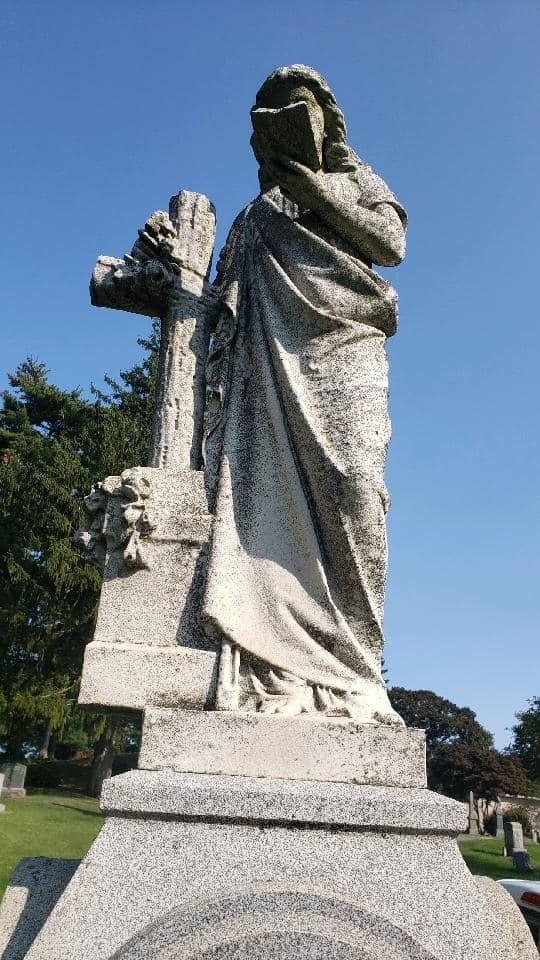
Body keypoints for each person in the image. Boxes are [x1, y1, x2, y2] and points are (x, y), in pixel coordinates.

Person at [201, 65, 407, 723]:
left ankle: (355, 668)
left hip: (346, 347)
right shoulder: (256, 215)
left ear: (328, 119)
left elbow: (391, 244)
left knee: (354, 489)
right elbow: (218, 309)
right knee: (264, 500)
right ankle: (276, 660)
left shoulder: (352, 180)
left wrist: (313, 187)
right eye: (277, 109)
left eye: (304, 104)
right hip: (271, 366)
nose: (294, 115)